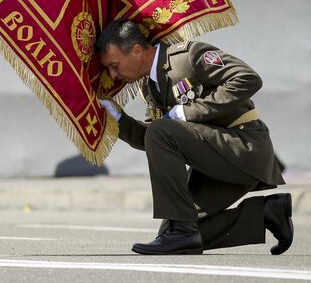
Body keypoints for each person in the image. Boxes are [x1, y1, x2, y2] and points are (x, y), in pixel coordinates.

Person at [97, 20, 291, 256]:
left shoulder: (186, 57)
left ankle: (182, 233)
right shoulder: (150, 86)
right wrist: (117, 117)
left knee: (180, 227)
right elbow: (153, 139)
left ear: (137, 50)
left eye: (114, 65)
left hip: (244, 149)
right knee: (176, 228)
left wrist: (189, 111)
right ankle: (267, 214)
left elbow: (247, 78)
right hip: (215, 163)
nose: (113, 75)